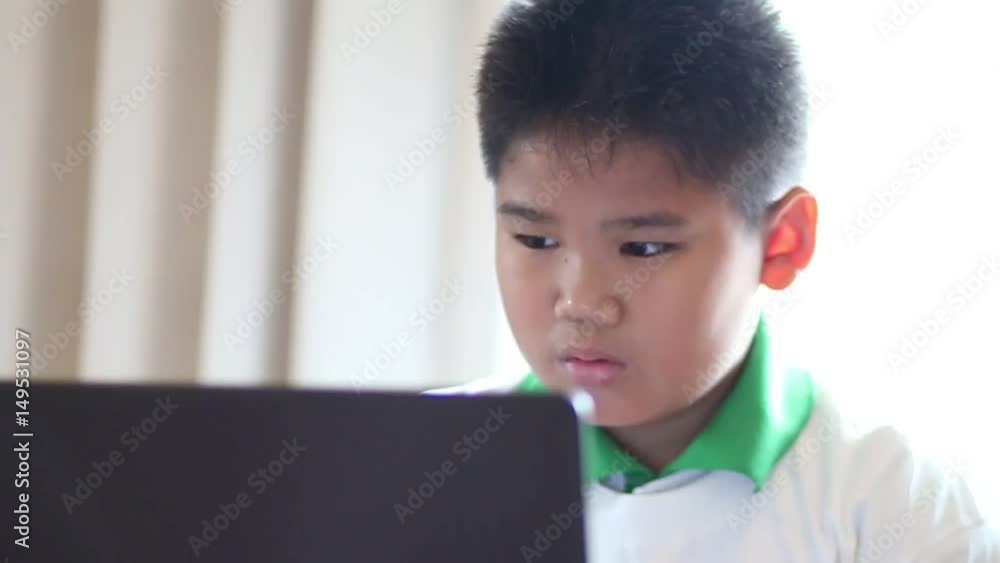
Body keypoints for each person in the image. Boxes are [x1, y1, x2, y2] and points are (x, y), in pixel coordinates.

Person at [435, 0, 1000, 561]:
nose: (581, 303)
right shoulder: (425, 464)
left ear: (782, 243)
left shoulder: (900, 504)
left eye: (644, 248)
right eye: (535, 240)